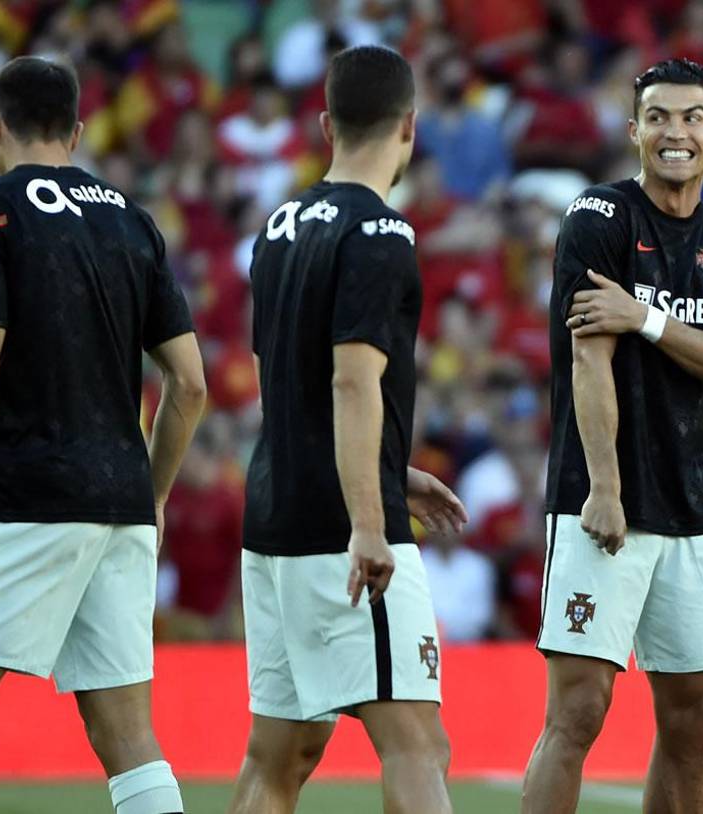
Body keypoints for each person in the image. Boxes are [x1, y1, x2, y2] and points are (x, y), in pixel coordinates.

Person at [0, 56, 205, 814]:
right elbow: (190, 385)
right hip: (123, 503)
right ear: (78, 130)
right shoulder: (132, 220)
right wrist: (153, 493)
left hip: (31, 490)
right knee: (128, 737)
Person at [228, 46, 468, 814]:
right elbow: (351, 380)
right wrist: (372, 520)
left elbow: (288, 387)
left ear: (326, 123)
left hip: (272, 513)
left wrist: (391, 469)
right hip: (342, 527)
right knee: (418, 744)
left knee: (281, 754)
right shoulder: (383, 234)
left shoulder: (280, 224)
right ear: (410, 127)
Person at [524, 59, 703, 814]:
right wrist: (603, 487)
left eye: (693, 118)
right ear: (634, 131)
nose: (676, 133)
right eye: (658, 117)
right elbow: (588, 353)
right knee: (579, 712)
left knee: (696, 716)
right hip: (603, 501)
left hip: (689, 510)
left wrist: (649, 320)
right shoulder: (598, 215)